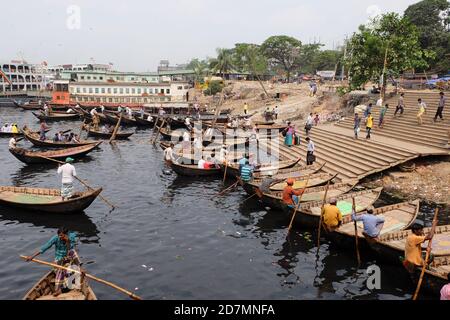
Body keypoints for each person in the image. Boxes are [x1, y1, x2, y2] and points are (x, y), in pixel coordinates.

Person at [25, 227, 82, 297]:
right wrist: (32, 256)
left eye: (62, 236)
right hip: (59, 260)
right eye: (59, 235)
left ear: (66, 235)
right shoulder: (55, 238)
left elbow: (69, 250)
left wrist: (68, 241)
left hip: (68, 258)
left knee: (72, 252)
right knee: (63, 271)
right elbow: (45, 247)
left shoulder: (71, 238)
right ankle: (60, 288)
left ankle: (79, 268)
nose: (60, 237)